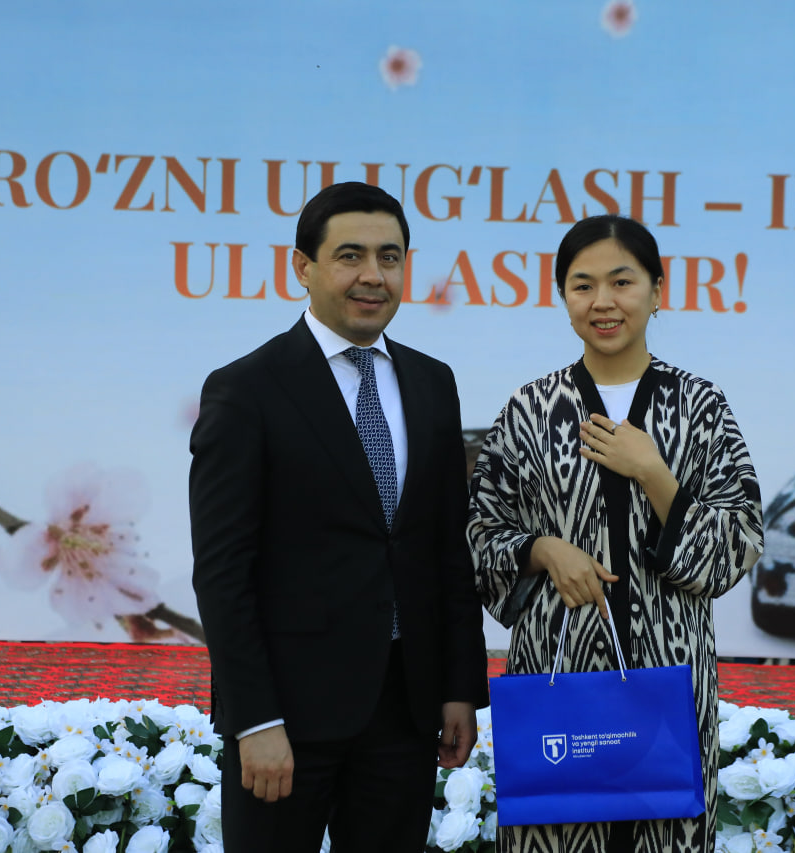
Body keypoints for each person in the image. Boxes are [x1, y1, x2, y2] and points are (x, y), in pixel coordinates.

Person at [190, 181, 490, 853]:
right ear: (303, 267)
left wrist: (458, 688)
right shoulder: (246, 389)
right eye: (349, 255)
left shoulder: (432, 382)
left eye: (390, 257)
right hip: (286, 719)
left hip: (404, 713)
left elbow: (447, 547)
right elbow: (222, 571)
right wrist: (254, 719)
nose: (372, 275)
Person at [467, 214, 765, 853]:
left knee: (666, 831)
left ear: (658, 290)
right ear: (563, 296)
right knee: (556, 831)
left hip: (670, 681)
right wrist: (541, 549)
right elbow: (481, 534)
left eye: (622, 282)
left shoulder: (700, 407)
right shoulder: (530, 409)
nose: (602, 302)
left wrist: (654, 473)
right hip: (558, 678)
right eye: (583, 286)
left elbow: (737, 544)